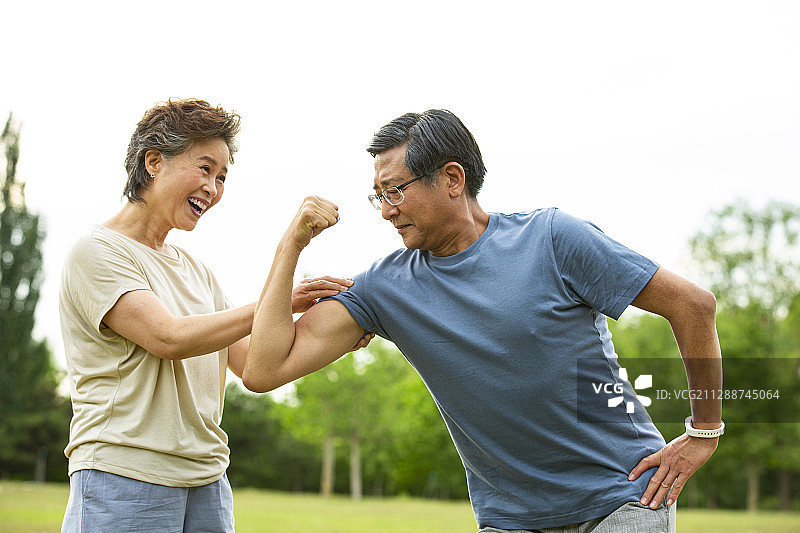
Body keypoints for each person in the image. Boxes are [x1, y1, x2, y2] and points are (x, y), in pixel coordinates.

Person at [242, 109, 723, 532]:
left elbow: (693, 305)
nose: (386, 210)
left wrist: (705, 432)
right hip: (510, 520)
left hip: (624, 497)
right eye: (378, 195)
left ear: (452, 179)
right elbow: (264, 370)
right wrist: (289, 247)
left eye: (396, 191)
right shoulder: (383, 289)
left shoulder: (551, 238)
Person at [58, 98, 366, 532]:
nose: (213, 188)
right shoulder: (97, 251)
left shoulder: (198, 272)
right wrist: (279, 298)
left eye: (221, 177)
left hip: (207, 482)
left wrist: (340, 328)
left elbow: (256, 364)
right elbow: (167, 338)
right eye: (205, 169)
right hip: (124, 476)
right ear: (153, 162)